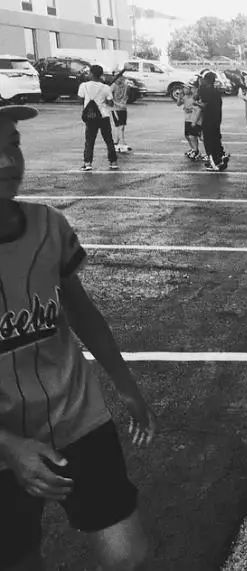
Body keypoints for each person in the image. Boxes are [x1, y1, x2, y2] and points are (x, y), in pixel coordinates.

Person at [0, 104, 157, 571]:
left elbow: (83, 313)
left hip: (76, 417)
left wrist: (126, 386)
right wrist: (10, 447)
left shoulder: (49, 226)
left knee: (128, 556)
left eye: (13, 145)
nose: (8, 161)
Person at [78, 64, 118, 172]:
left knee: (89, 140)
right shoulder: (106, 87)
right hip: (104, 116)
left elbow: (80, 100)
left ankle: (87, 163)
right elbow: (110, 103)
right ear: (101, 75)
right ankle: (113, 162)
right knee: (108, 139)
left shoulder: (84, 86)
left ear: (91, 74)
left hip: (91, 116)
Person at [197, 71, 229, 172]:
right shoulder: (216, 91)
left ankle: (214, 162)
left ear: (206, 80)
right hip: (217, 119)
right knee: (216, 139)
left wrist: (195, 103)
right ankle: (221, 157)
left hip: (208, 119)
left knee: (209, 142)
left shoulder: (204, 90)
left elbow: (204, 104)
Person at [179, 83, 204, 161]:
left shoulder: (195, 97)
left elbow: (198, 108)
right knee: (187, 135)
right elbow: (178, 104)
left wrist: (190, 109)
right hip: (187, 119)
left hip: (194, 119)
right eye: (184, 88)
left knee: (193, 136)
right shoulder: (185, 97)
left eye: (186, 88)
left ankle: (196, 150)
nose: (184, 90)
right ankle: (193, 149)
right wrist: (179, 96)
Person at [109, 75, 132, 153]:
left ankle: (116, 141)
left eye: (121, 78)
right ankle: (122, 142)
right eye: (118, 78)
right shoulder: (113, 86)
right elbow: (109, 96)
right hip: (116, 108)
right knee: (120, 126)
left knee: (122, 125)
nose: (119, 80)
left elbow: (126, 96)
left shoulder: (126, 86)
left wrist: (123, 102)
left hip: (123, 108)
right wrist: (114, 103)